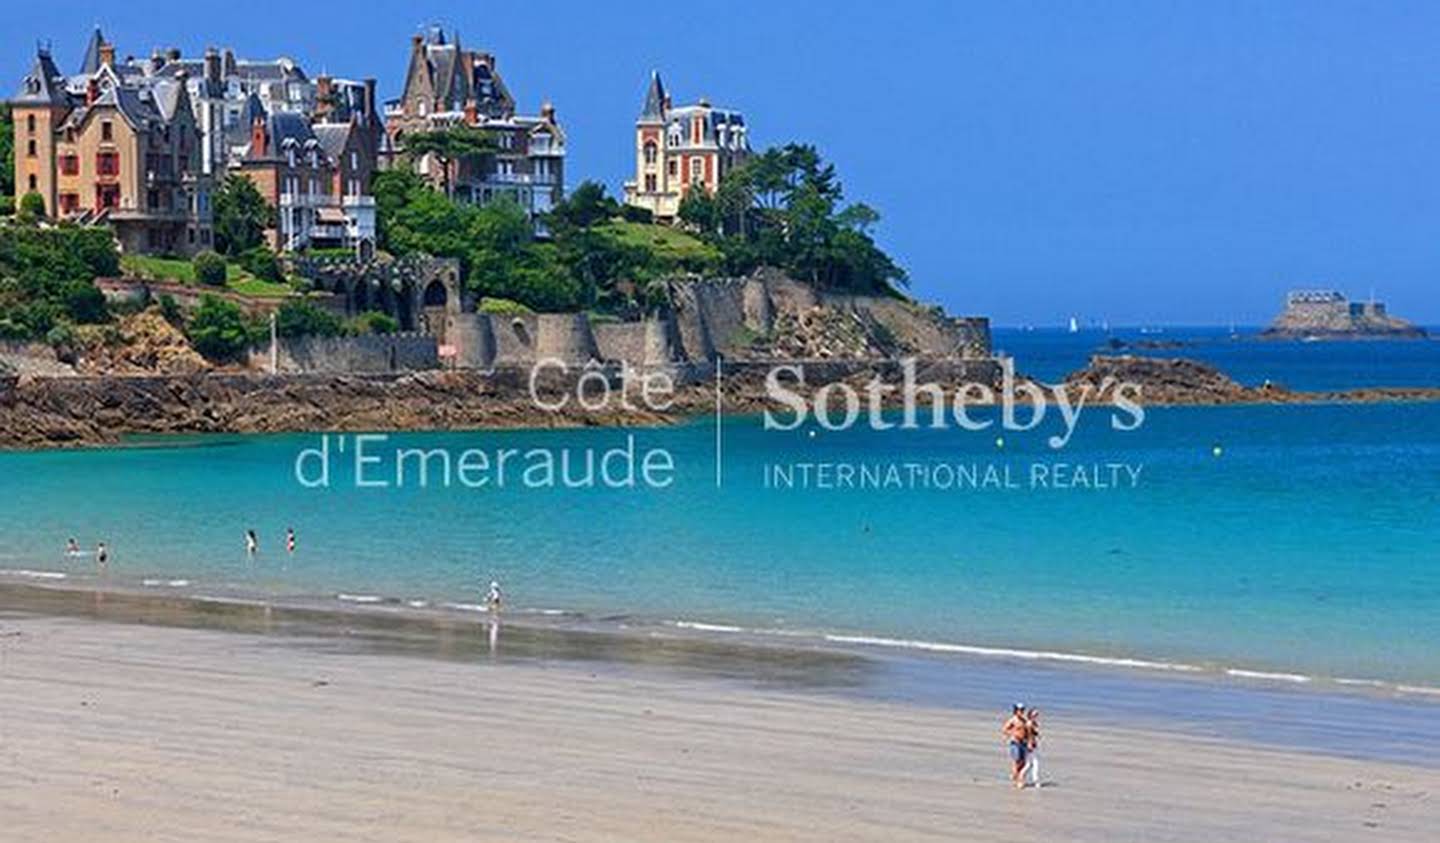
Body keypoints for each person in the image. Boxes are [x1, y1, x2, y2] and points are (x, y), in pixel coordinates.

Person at [1001, 703, 1031, 788]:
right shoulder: (1013, 720)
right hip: (1015, 743)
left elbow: (1028, 733)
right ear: (1016, 711)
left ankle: (1016, 776)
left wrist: (1029, 742)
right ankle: (1019, 780)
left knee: (1023, 762)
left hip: (1023, 743)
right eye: (1020, 710)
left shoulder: (1024, 721)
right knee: (1017, 761)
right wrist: (1013, 734)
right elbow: (1004, 729)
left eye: (1023, 710)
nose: (1021, 712)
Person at [1024, 707, 1042, 787]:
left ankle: (1020, 776)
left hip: (1033, 744)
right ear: (1030, 715)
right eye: (1035, 714)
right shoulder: (1029, 723)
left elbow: (1034, 733)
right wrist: (1030, 744)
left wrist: (1037, 735)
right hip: (1030, 745)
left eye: (1037, 714)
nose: (1036, 716)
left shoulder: (1034, 723)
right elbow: (1029, 735)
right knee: (1035, 763)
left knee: (1029, 764)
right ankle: (1036, 781)